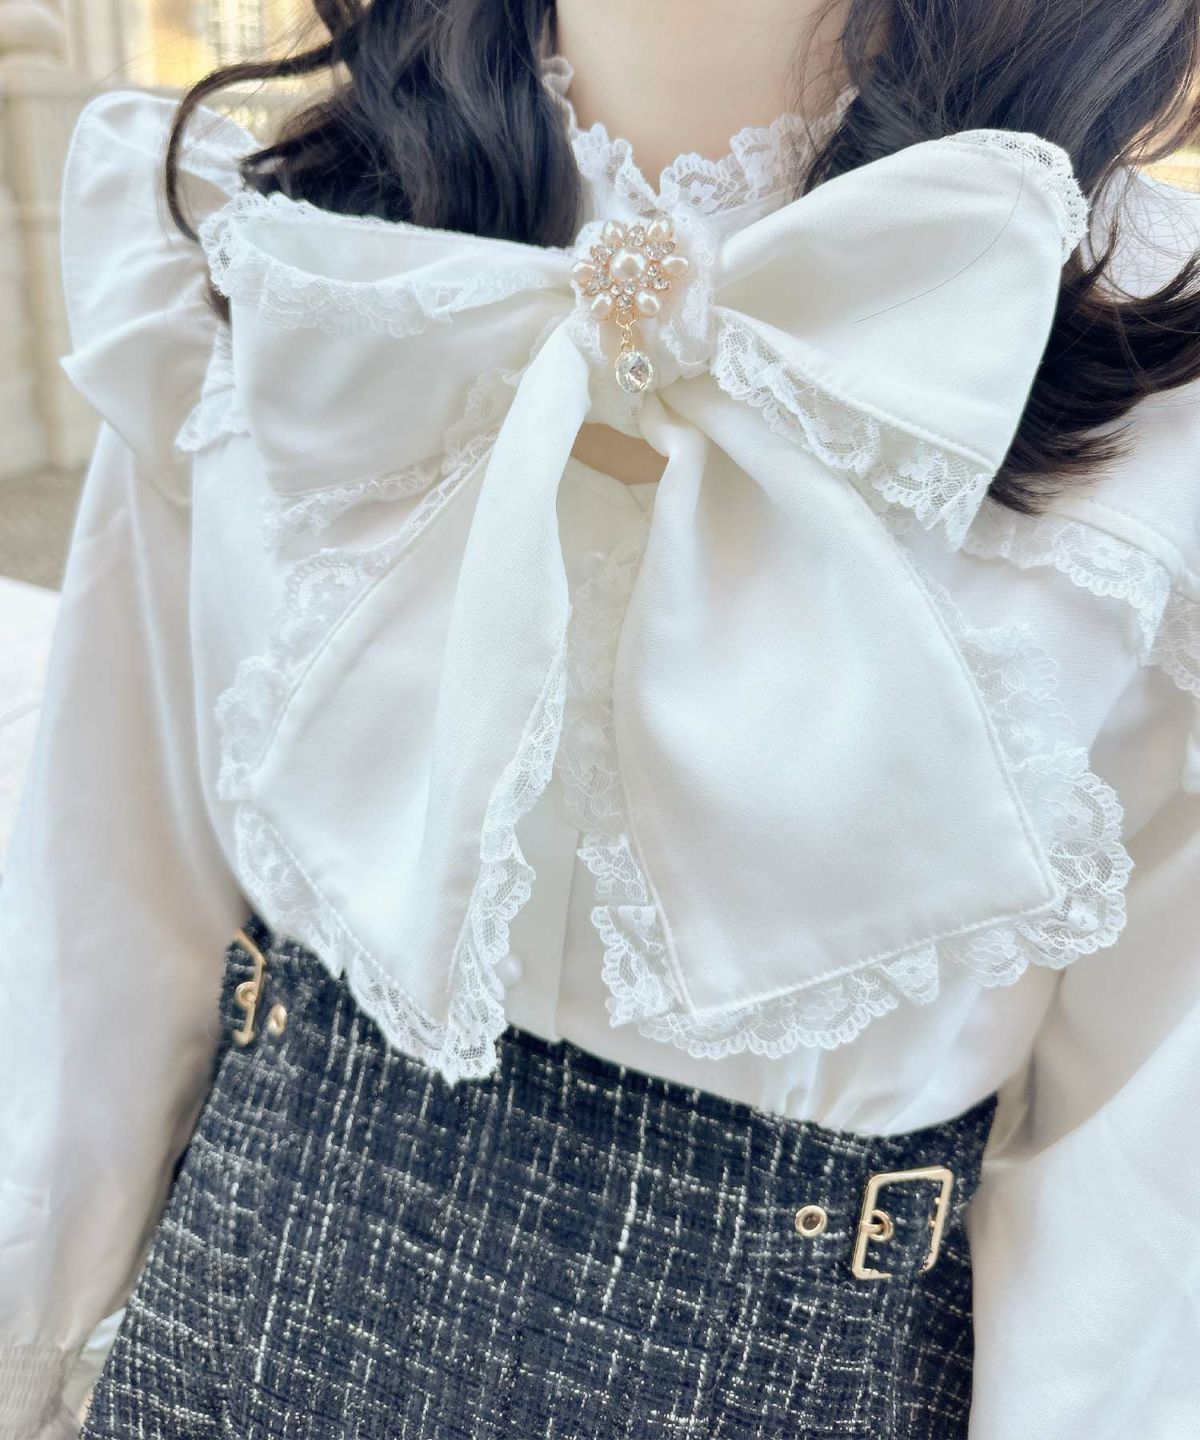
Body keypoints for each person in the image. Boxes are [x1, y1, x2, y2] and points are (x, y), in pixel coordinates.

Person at [2, 0, 1199, 1435]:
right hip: (236, 1325)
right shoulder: (297, 248)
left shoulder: (1152, 376)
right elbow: (109, 882)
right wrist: (32, 1319)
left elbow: (1144, 1160)